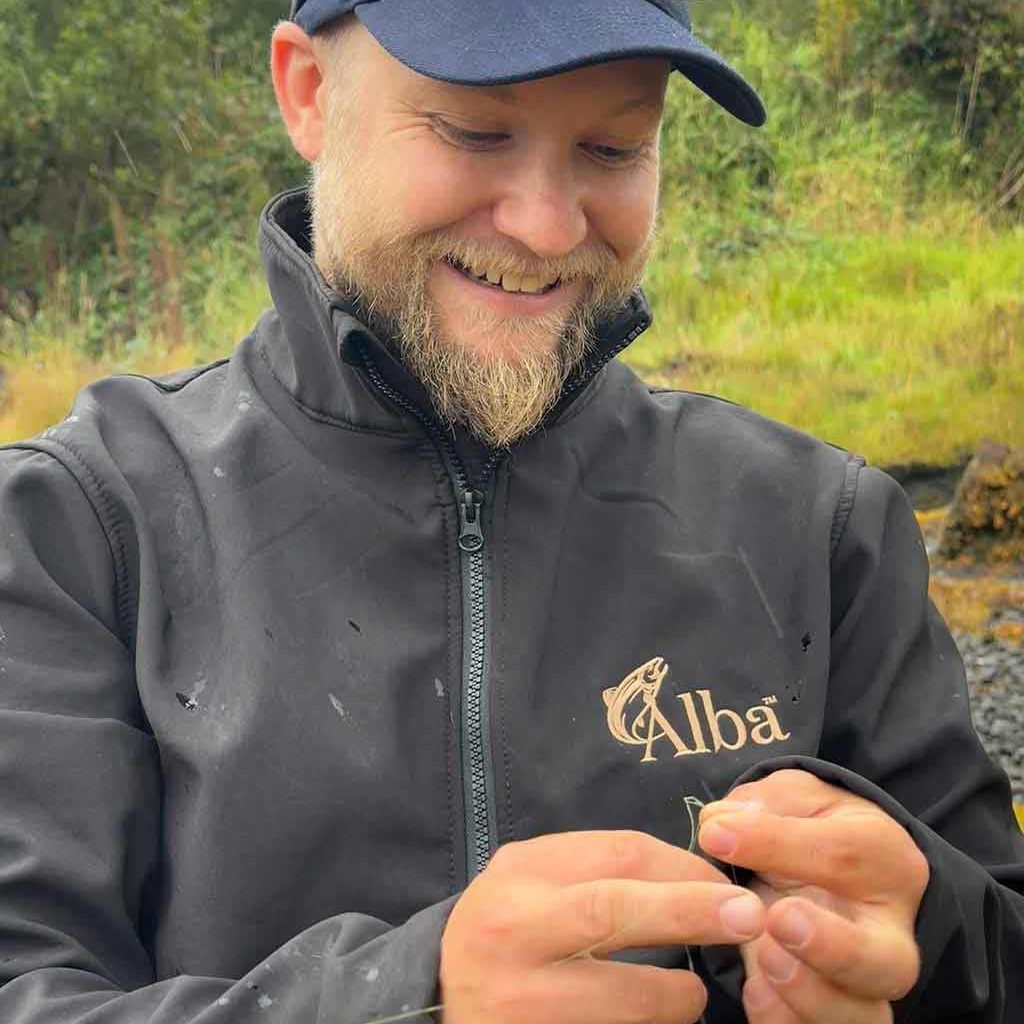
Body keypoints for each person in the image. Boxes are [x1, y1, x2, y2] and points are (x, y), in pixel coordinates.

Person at [0, 1, 1021, 1022]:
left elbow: (997, 948)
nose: (544, 226)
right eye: (473, 131)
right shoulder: (77, 527)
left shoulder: (824, 526)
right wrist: (409, 996)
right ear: (309, 93)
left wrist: (918, 931)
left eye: (612, 147)